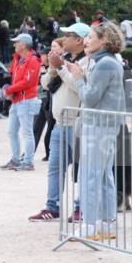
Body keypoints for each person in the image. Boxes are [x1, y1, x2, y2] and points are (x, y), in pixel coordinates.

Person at [64, 23, 126, 240]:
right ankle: (106, 224)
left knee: (90, 176)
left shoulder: (104, 64)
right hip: (106, 126)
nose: (86, 41)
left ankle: (89, 226)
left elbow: (90, 98)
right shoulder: (110, 63)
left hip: (98, 126)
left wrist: (79, 78)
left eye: (90, 37)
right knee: (103, 176)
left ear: (104, 40)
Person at [29, 23, 93, 222]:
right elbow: (46, 84)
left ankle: (81, 207)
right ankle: (52, 206)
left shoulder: (87, 62)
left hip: (77, 123)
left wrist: (61, 68)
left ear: (79, 40)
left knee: (83, 168)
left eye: (68, 35)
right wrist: (53, 67)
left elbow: (78, 88)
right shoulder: (66, 60)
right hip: (59, 123)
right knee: (55, 168)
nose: (63, 39)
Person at [0, 33, 41, 171]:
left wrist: (9, 89)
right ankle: (16, 159)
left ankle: (28, 162)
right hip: (17, 99)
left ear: (23, 44)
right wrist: (9, 90)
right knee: (12, 131)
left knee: (27, 132)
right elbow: (14, 78)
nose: (14, 44)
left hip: (26, 100)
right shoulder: (18, 59)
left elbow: (28, 82)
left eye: (16, 42)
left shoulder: (33, 60)